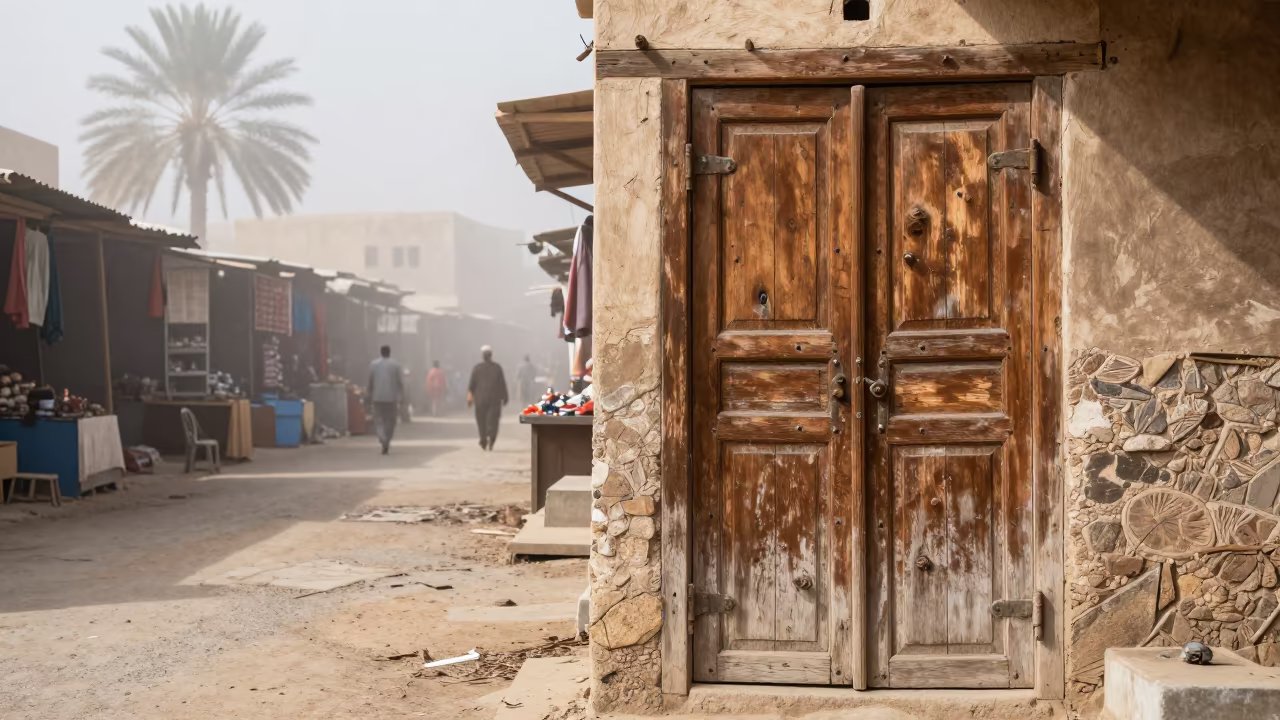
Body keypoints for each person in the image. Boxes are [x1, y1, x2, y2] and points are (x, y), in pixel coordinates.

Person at [467, 345, 508, 451]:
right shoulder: (497, 368)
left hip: (480, 399)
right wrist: (505, 397)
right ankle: (491, 439)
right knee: (493, 420)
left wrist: (469, 398)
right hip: (494, 399)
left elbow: (471, 385)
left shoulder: (477, 368)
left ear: (482, 356)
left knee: (481, 420)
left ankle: (483, 438)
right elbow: (502, 384)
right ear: (491, 355)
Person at [367, 345, 404, 454]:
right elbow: (399, 383)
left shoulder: (373, 365)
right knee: (391, 421)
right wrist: (401, 396)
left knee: (379, 420)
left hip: (377, 397)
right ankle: (386, 439)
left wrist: (368, 395)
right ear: (389, 352)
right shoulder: (396, 365)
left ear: (381, 352)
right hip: (392, 398)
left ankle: (382, 437)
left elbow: (370, 382)